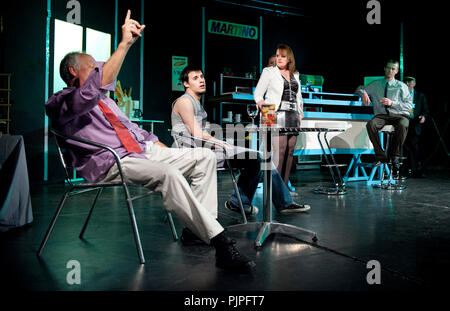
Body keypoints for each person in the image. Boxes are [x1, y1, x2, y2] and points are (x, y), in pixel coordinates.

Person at [45, 10, 255, 271]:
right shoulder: (60, 102)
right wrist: (124, 44)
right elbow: (90, 92)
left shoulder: (106, 100)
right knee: (169, 175)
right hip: (112, 161)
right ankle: (221, 242)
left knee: (204, 157)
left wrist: (157, 144)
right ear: (73, 70)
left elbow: (131, 128)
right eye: (93, 65)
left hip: (142, 152)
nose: (100, 67)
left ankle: (196, 230)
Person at [171, 66, 311, 215]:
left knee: (261, 158)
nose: (201, 80)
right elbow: (196, 133)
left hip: (205, 149)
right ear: (186, 84)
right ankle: (269, 203)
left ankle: (242, 202)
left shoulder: (195, 102)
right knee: (261, 159)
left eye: (202, 77)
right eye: (195, 78)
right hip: (193, 153)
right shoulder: (185, 101)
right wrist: (221, 144)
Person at [254, 44, 303, 188]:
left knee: (290, 152)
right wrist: (267, 116)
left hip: (293, 115)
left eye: (283, 56)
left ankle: (284, 187)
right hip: (275, 113)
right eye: (277, 55)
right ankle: (274, 188)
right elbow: (258, 95)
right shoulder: (269, 72)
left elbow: (299, 97)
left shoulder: (295, 74)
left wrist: (301, 113)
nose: (279, 59)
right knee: (279, 151)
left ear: (289, 58)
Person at [355, 60, 413, 166]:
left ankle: (395, 155)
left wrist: (392, 103)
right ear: (384, 68)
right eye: (388, 68)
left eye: (393, 69)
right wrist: (363, 93)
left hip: (399, 115)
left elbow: (409, 105)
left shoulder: (401, 86)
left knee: (403, 124)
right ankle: (381, 156)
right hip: (382, 115)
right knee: (371, 124)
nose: (390, 71)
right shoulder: (376, 84)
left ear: (396, 71)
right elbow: (359, 88)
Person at [403, 76, 429, 178]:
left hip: (415, 125)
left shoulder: (420, 96)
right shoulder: (401, 95)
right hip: (404, 123)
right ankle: (403, 170)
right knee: (404, 147)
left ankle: (415, 170)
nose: (407, 84)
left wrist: (424, 117)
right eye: (406, 82)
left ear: (414, 84)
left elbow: (426, 110)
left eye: (409, 82)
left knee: (414, 148)